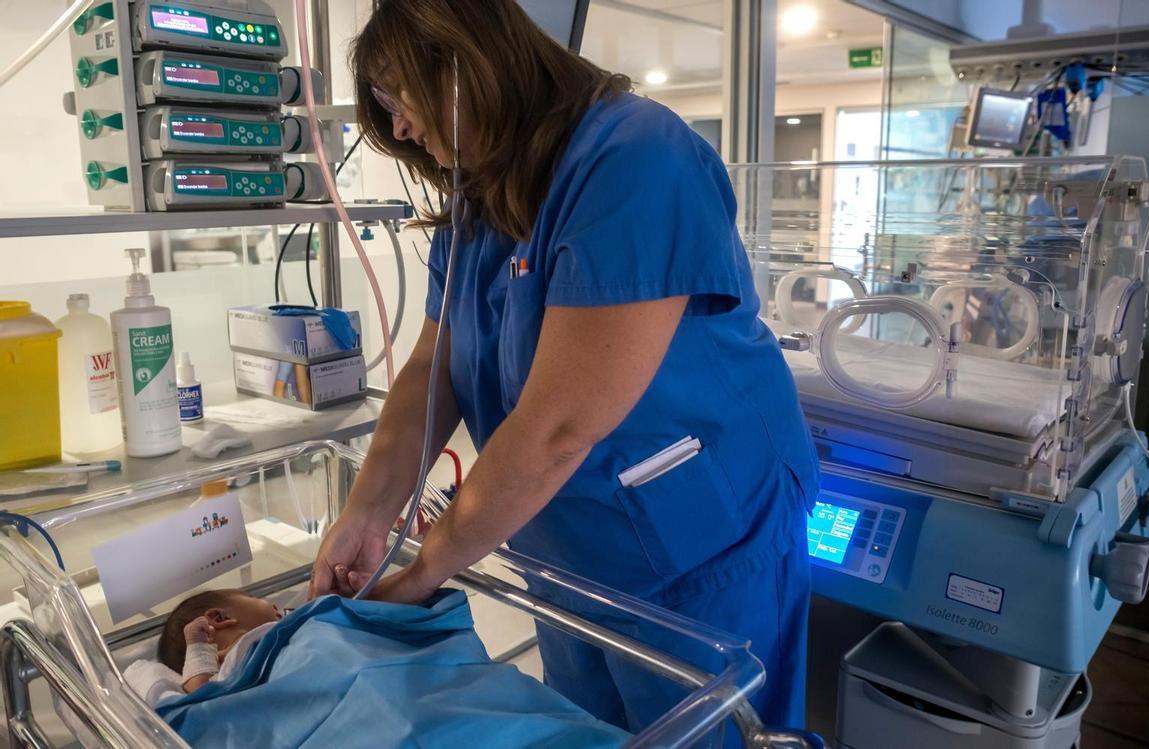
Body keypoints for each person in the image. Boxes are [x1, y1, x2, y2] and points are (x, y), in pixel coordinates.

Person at [309, 0, 821, 735]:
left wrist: (425, 571)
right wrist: (366, 513)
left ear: (463, 67)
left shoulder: (636, 160)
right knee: (585, 729)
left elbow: (557, 428)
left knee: (706, 732)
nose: (400, 128)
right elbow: (434, 365)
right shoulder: (483, 194)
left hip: (703, 549)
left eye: (399, 96)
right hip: (568, 547)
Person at [157, 590, 283, 692]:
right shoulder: (228, 664)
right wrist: (198, 650)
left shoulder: (278, 628)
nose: (274, 604)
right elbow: (200, 694)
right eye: (252, 596)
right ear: (219, 617)